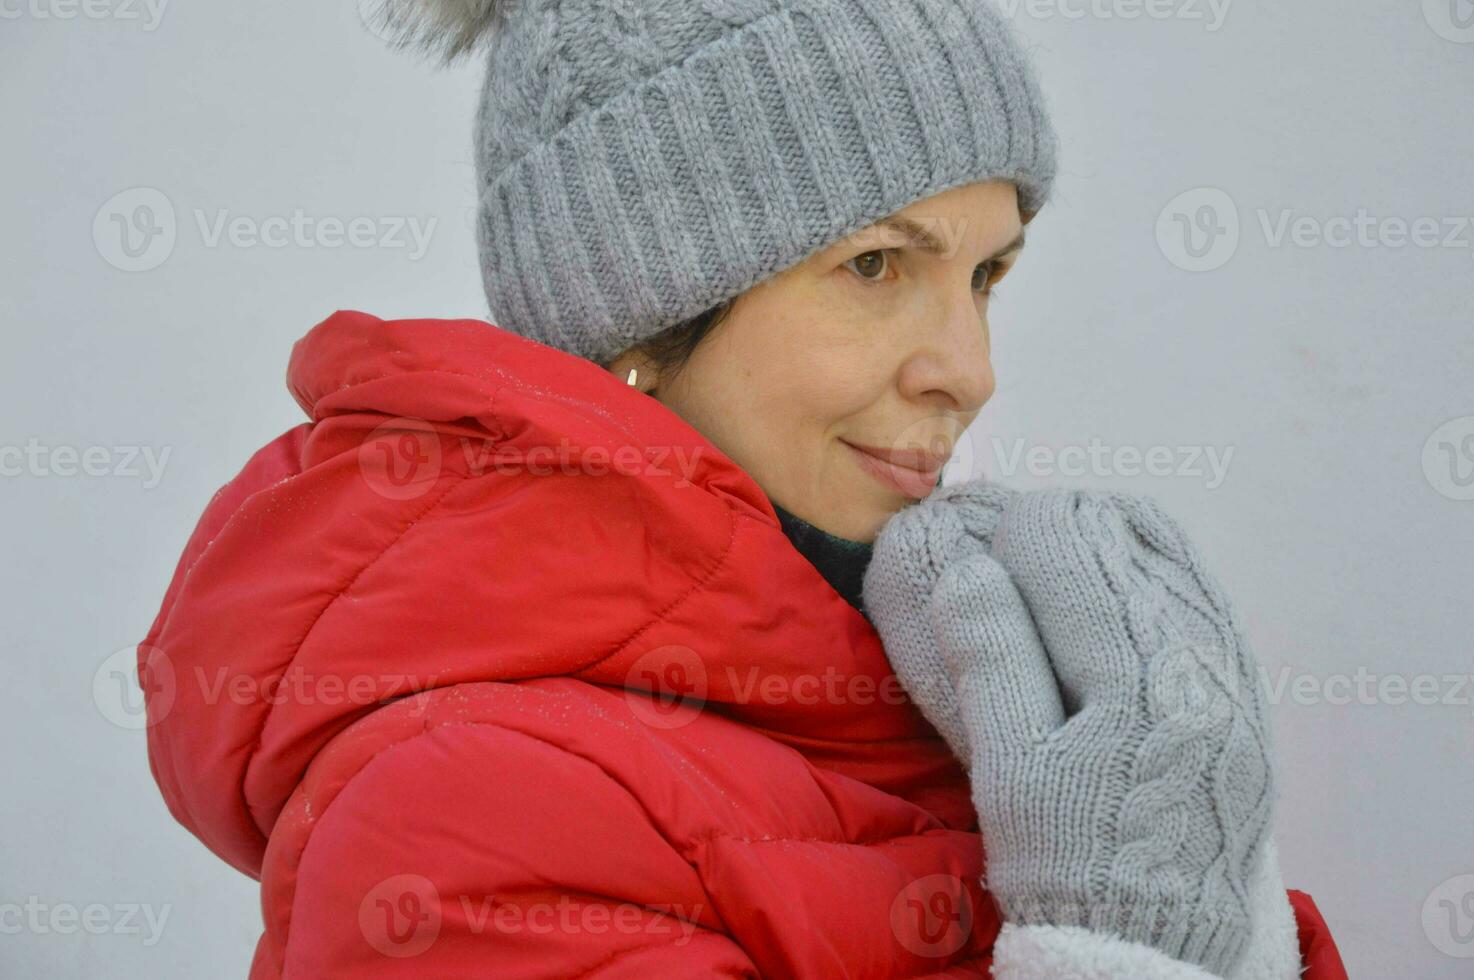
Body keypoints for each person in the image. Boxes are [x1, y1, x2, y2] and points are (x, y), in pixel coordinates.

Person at [139, 0, 1348, 975]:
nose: (969, 373)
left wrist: (1214, 891)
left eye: (985, 276)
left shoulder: (945, 677)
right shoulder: (463, 811)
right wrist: (1120, 950)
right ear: (641, 318)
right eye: (874, 264)